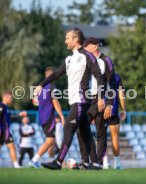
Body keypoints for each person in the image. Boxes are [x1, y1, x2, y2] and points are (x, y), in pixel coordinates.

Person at [34, 28, 106, 170]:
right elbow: (56, 74)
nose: (65, 41)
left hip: (82, 100)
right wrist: (41, 85)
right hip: (74, 101)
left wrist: (101, 97)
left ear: (76, 40)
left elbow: (99, 76)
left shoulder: (87, 56)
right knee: (84, 131)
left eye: (67, 38)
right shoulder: (68, 59)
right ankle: (96, 163)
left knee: (68, 126)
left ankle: (59, 161)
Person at [76, 37, 117, 169]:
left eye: (86, 47)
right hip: (85, 100)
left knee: (101, 133)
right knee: (80, 130)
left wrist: (109, 103)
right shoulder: (83, 60)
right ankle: (85, 160)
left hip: (101, 101)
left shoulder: (106, 61)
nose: (84, 50)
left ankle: (98, 163)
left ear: (94, 46)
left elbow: (113, 84)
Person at [28, 67, 65, 168]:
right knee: (50, 141)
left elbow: (35, 101)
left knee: (51, 141)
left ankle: (48, 160)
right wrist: (62, 116)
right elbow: (55, 101)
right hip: (48, 116)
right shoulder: (52, 86)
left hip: (42, 117)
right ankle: (34, 160)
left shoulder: (40, 87)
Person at [0, 91, 27, 168]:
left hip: (5, 131)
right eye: (11, 98)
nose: (11, 99)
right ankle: (16, 165)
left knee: (1, 148)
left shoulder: (7, 108)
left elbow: (10, 116)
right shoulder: (1, 106)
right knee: (6, 147)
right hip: (3, 130)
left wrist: (19, 114)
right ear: (5, 97)